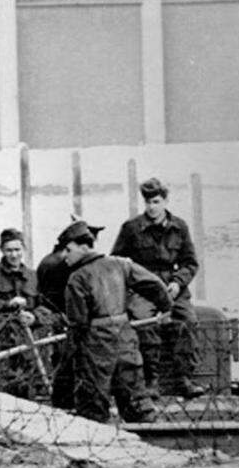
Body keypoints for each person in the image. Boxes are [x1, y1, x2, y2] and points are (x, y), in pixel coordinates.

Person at [58, 221, 172, 424]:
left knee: (93, 406)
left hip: (95, 345)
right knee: (136, 398)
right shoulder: (121, 264)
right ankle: (151, 444)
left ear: (84, 247)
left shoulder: (77, 278)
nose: (64, 255)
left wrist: (68, 361)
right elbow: (153, 284)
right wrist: (165, 308)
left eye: (68, 250)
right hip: (125, 337)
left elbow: (78, 324)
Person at [111, 177, 205, 399]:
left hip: (173, 286)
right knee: (145, 325)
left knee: (187, 322)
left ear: (165, 201)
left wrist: (177, 282)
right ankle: (151, 380)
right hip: (143, 287)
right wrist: (132, 286)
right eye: (148, 202)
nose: (151, 207)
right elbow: (117, 261)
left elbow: (190, 262)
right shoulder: (132, 228)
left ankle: (184, 379)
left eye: (156, 202)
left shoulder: (179, 227)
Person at [0, 227, 54, 397]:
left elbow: (45, 306)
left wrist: (34, 317)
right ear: (1, 250)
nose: (14, 255)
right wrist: (7, 304)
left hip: (29, 342)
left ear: (23, 249)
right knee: (1, 390)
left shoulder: (33, 276)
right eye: (9, 250)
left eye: (17, 250)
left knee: (31, 388)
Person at [36, 218, 104, 409]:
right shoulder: (63, 264)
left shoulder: (54, 260)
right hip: (67, 319)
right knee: (72, 363)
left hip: (63, 318)